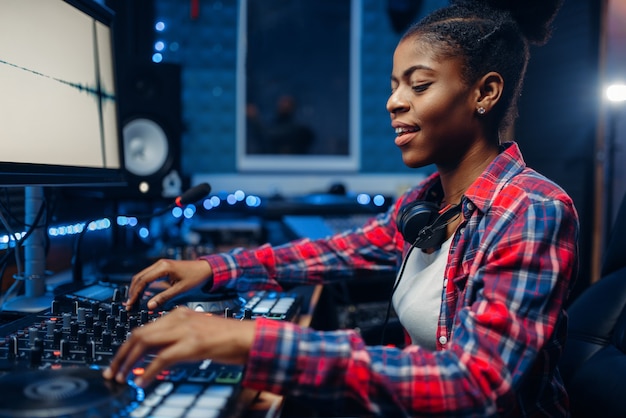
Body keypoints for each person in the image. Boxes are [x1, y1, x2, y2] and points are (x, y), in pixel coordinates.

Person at [104, 0, 579, 415]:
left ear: (484, 93)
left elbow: (473, 384)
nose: (394, 101)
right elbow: (332, 253)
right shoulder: (424, 203)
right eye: (394, 85)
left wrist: (250, 340)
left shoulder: (532, 211)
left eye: (418, 85)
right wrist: (212, 269)